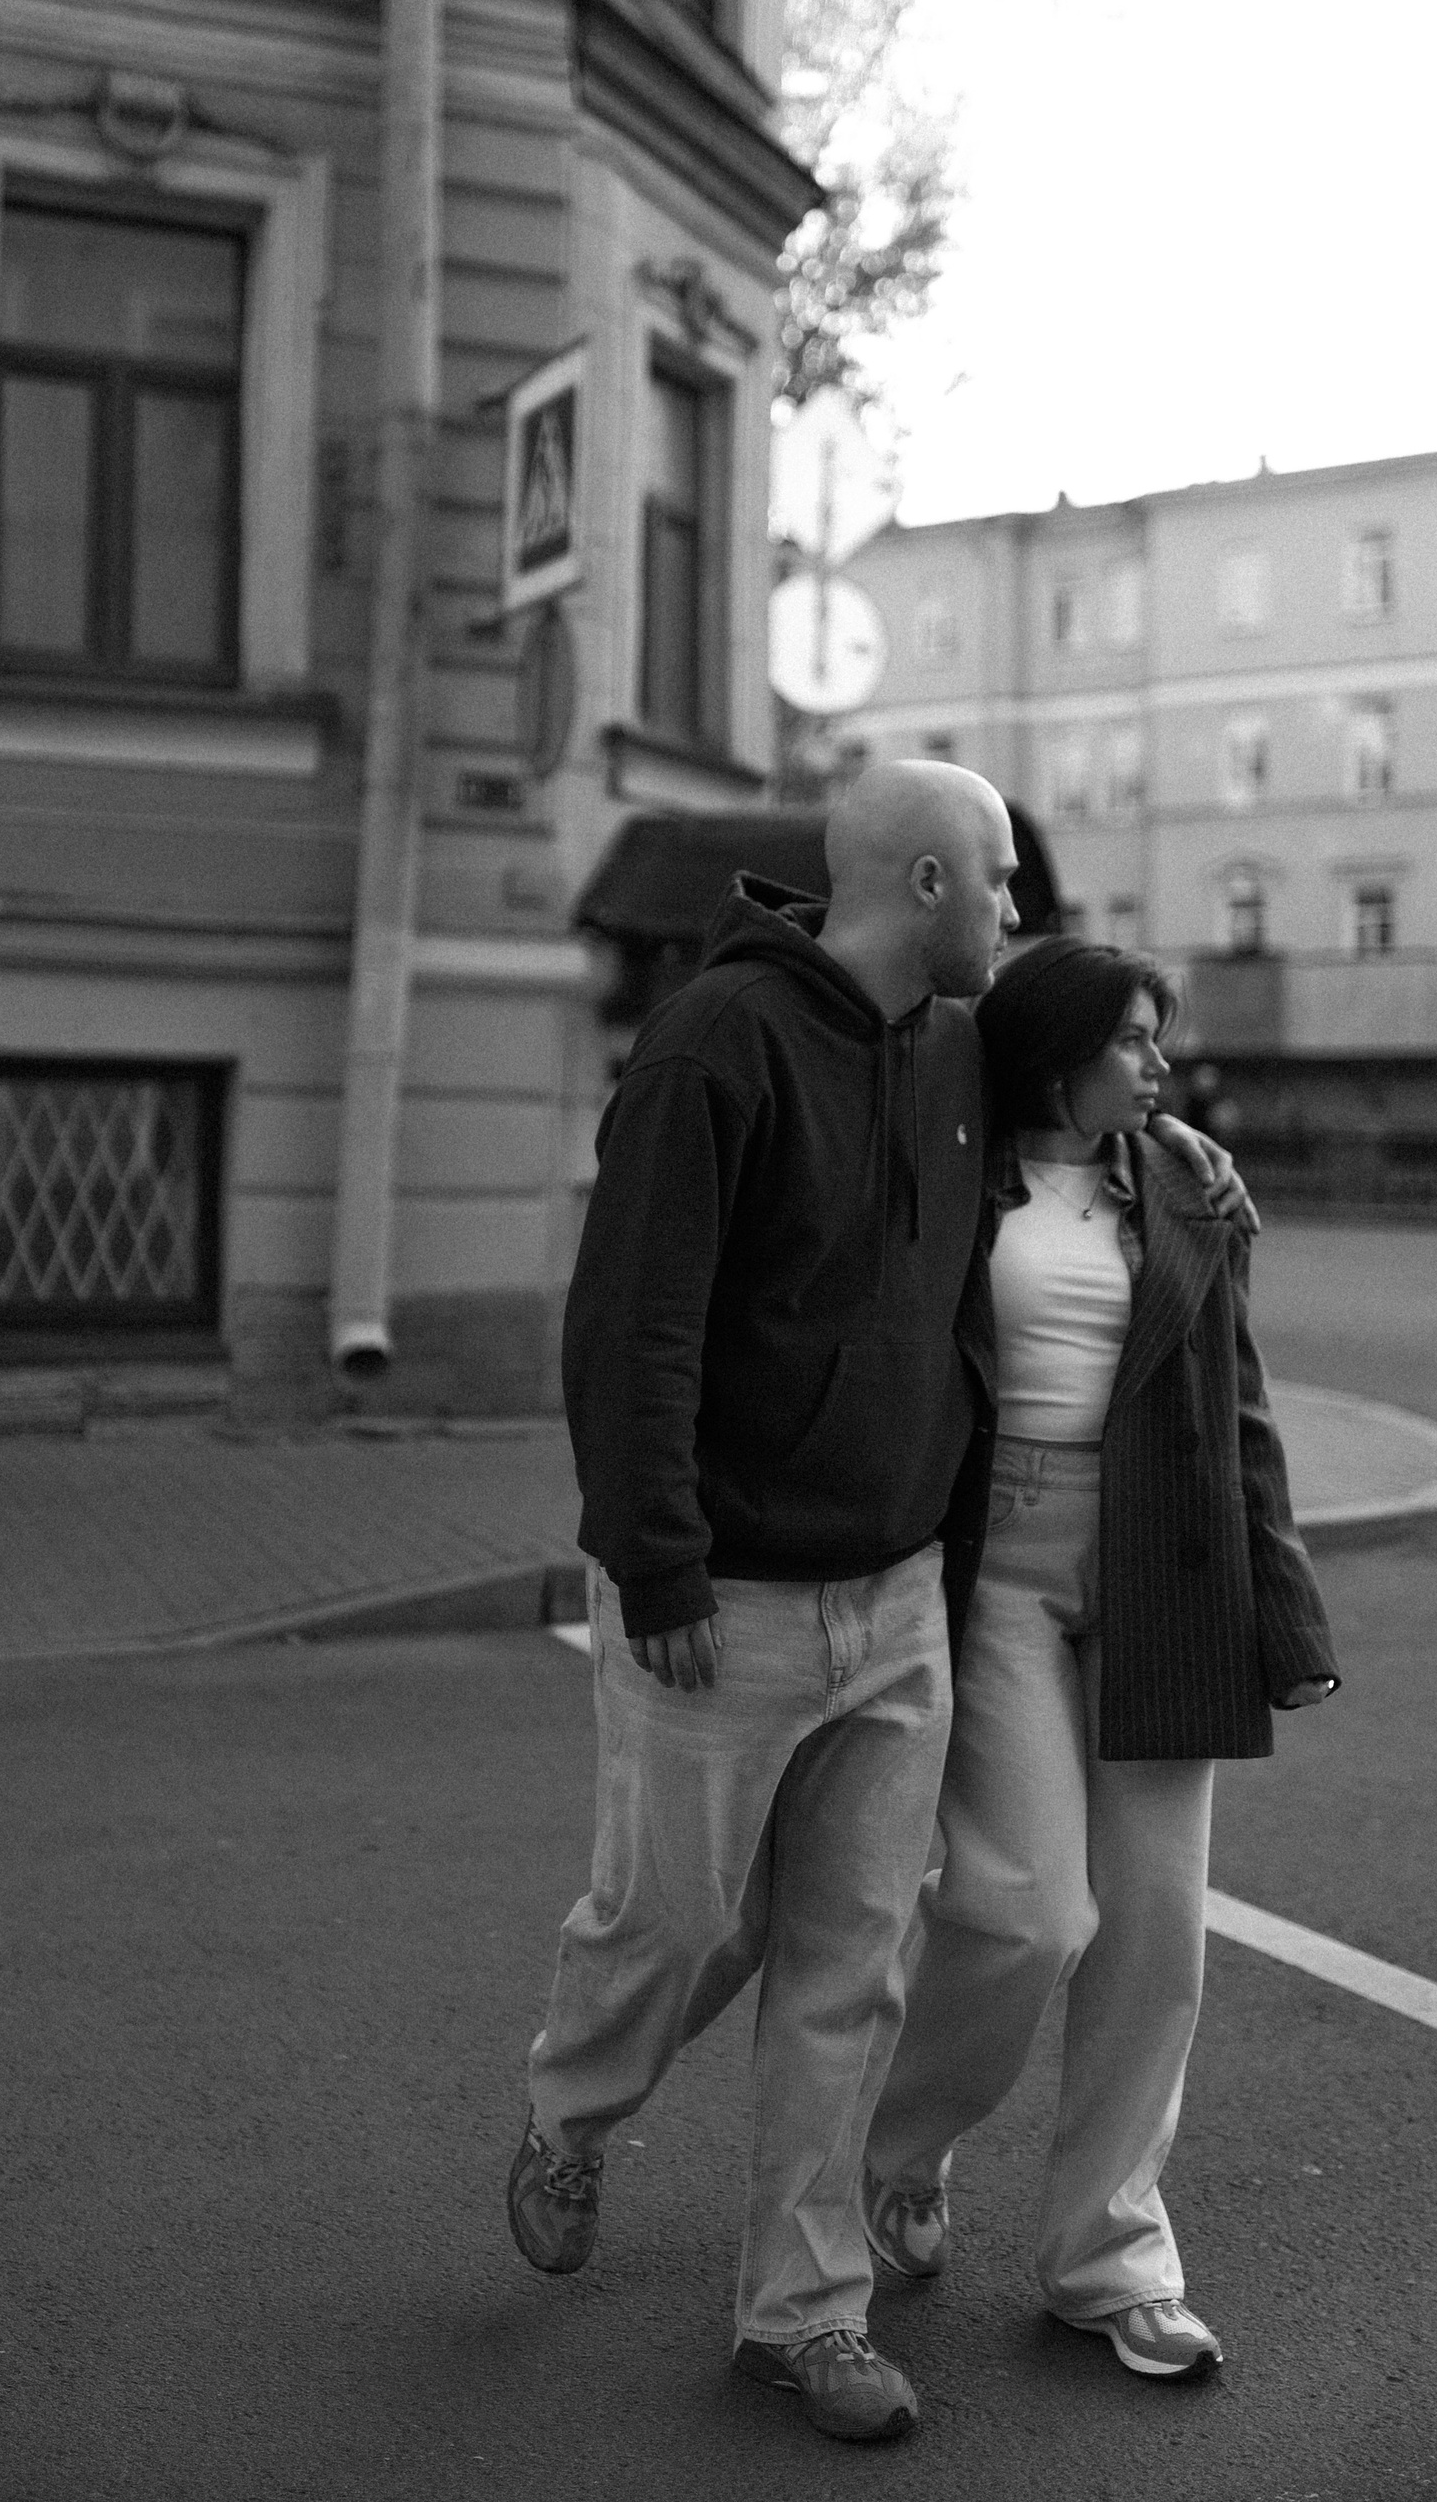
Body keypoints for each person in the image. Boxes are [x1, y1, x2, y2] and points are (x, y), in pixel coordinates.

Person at [507, 768, 1251, 2447]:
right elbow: (631, 1324)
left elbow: (1085, 1105)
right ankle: (571, 2110)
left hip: (908, 1590)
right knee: (680, 1921)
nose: (1016, 912)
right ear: (927, 881)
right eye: (999, 882)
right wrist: (657, 1559)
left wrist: (1175, 1147)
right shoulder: (715, 1048)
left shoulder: (955, 1049)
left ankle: (806, 2315)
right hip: (726, 1596)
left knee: (850, 1971)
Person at [860, 934, 1340, 2386]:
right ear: (1058, 1050)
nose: (1159, 1064)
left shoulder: (1186, 1183)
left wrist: (1287, 1613)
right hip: (996, 1562)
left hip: (1164, 1567)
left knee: (1155, 1934)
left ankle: (1111, 2263)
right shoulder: (953, 1167)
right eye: (1132, 1039)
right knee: (1022, 1908)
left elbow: (1237, 1401)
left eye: (1158, 1039)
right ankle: (897, 2149)